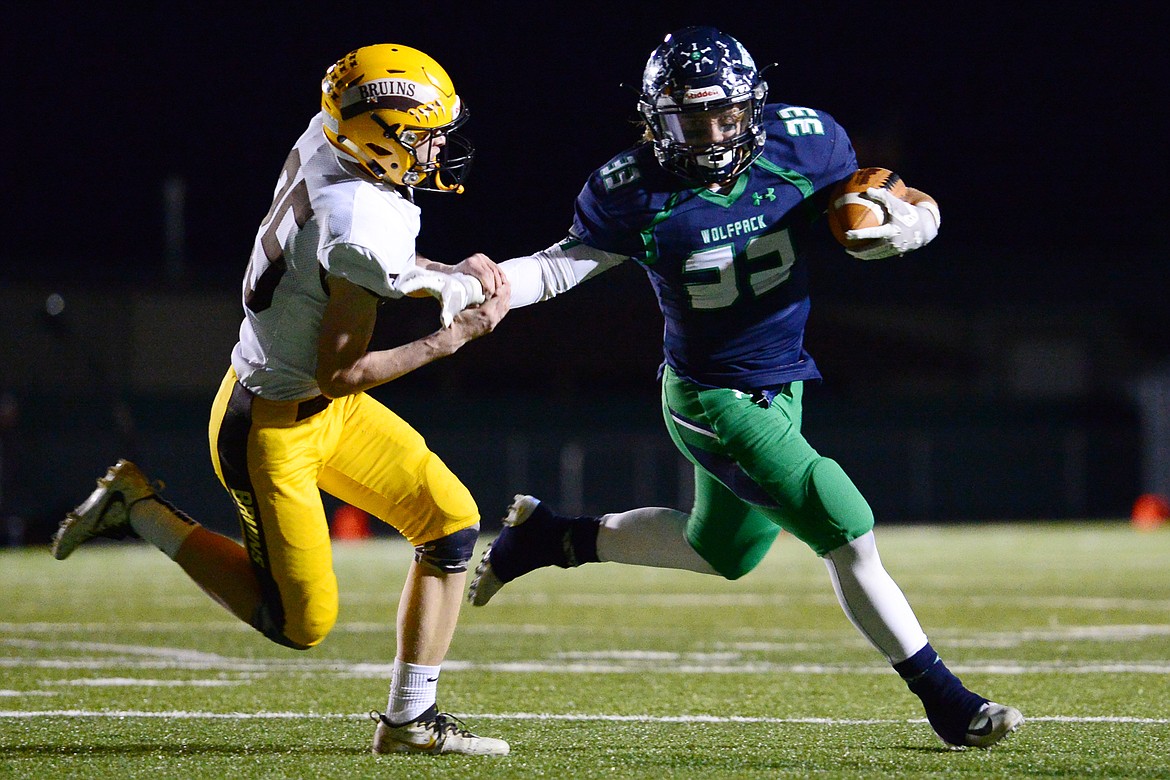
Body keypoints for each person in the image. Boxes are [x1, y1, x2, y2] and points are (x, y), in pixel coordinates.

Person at [470, 26, 1023, 749]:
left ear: (752, 107)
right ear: (653, 121)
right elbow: (560, 266)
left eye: (726, 116)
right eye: (691, 121)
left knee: (722, 553)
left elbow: (905, 196)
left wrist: (907, 229)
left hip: (782, 379)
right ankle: (949, 703)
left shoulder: (806, 142)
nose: (712, 135)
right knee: (844, 523)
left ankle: (551, 537)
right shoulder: (631, 189)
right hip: (711, 397)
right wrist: (486, 285)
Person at [52, 43, 511, 757]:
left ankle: (408, 721)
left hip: (314, 404)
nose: (440, 147)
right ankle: (137, 506)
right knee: (299, 623)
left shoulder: (333, 135)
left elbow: (347, 263)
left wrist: (440, 274)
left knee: (450, 524)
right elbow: (344, 373)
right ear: (379, 136)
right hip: (270, 425)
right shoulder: (360, 223)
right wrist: (453, 338)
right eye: (425, 134)